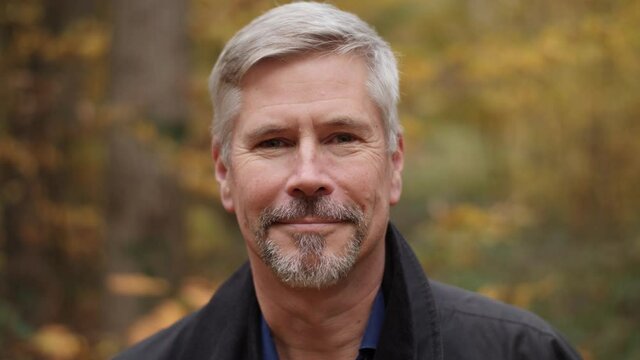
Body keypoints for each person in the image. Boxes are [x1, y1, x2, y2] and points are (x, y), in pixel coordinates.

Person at [115, 2, 582, 359]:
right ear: (224, 172)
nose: (308, 177)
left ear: (394, 164)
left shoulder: (523, 352)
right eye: (273, 143)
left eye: (342, 137)